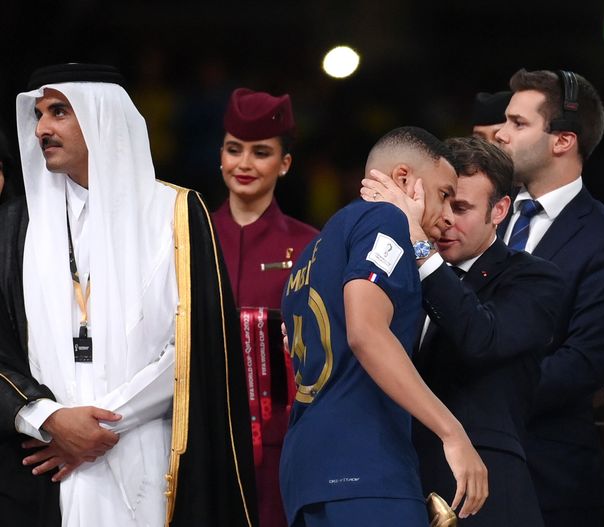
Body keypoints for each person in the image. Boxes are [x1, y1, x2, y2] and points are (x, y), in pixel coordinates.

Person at [0, 63, 256, 526]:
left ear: (102, 115)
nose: (41, 129)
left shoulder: (175, 213)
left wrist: (96, 426)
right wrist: (51, 420)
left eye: (59, 112)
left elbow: (194, 345)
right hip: (48, 462)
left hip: (147, 451)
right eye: (38, 115)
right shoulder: (17, 226)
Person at [280, 127, 488, 526]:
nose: (447, 216)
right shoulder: (385, 218)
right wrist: (452, 432)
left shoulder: (311, 251)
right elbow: (366, 332)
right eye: (444, 194)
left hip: (306, 473)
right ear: (404, 179)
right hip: (364, 463)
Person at [361, 136, 564, 526]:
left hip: (483, 492)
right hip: (394, 481)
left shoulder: (535, 278)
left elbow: (480, 338)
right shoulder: (394, 272)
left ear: (499, 210)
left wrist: (421, 248)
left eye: (461, 207)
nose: (446, 218)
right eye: (441, 202)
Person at [493, 69, 604, 526]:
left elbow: (581, 363)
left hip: (545, 473)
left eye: (518, 123)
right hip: (453, 463)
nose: (500, 133)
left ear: (563, 140)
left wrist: (480, 397)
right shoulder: (478, 214)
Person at [212, 87, 319, 527]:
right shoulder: (186, 236)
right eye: (234, 149)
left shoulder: (310, 245)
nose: (244, 164)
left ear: (285, 163)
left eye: (261, 152)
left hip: (282, 439)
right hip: (202, 432)